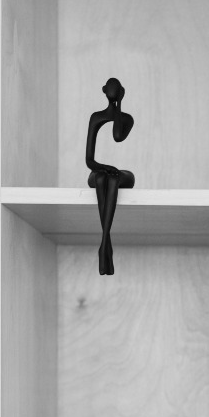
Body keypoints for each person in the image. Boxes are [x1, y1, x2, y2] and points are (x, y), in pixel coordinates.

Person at [85, 77, 135, 275]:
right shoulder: (95, 118)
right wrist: (104, 167)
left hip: (121, 174)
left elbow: (117, 136)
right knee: (101, 177)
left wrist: (119, 106)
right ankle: (106, 246)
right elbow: (89, 160)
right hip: (98, 170)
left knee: (113, 178)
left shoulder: (127, 119)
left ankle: (104, 245)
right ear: (104, 90)